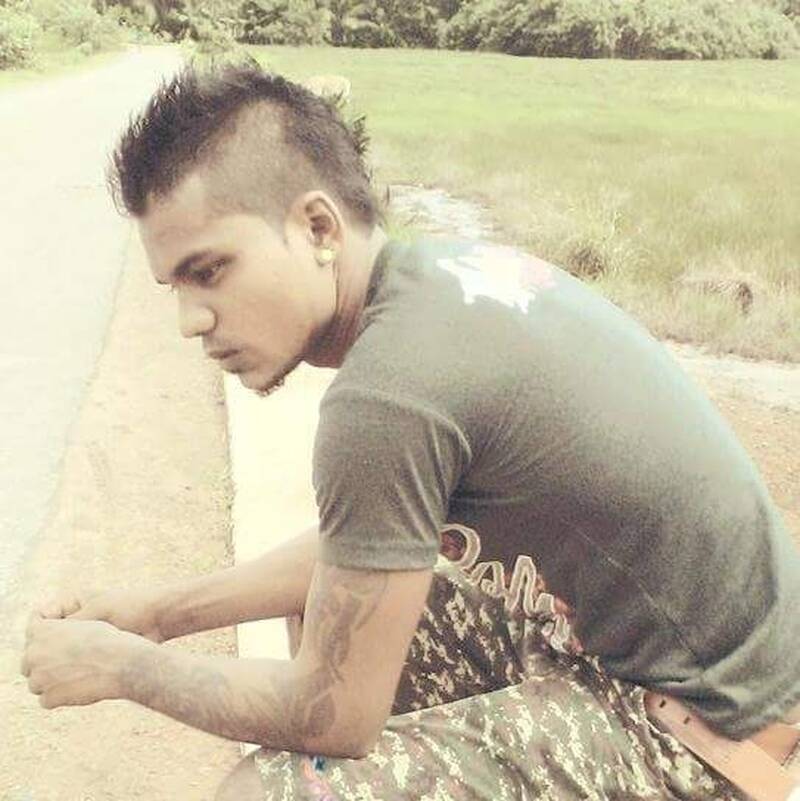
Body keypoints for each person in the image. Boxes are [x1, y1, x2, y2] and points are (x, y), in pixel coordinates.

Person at [21, 62, 800, 801]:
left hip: (703, 736)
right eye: (174, 286)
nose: (190, 320)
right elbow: (364, 545)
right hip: (690, 670)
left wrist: (125, 667)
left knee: (278, 788)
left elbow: (334, 715)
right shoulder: (438, 281)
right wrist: (158, 614)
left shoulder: (386, 395)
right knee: (333, 612)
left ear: (317, 227)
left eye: (210, 271)